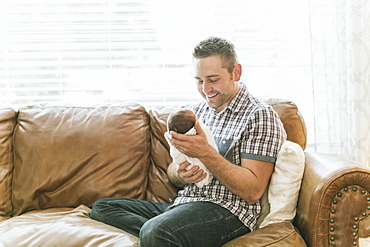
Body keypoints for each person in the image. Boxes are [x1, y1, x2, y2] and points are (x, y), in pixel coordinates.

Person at [90, 37, 287, 246]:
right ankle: (166, 236)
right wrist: (180, 173)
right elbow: (172, 171)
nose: (206, 89)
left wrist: (206, 153)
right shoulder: (196, 112)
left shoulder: (259, 115)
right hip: (185, 203)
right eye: (199, 81)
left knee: (156, 231)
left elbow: (252, 191)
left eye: (213, 79)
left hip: (228, 210)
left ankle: (160, 234)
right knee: (103, 207)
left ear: (236, 72)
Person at [165, 108, 218, 188]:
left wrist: (206, 153)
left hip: (215, 199)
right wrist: (179, 174)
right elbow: (175, 163)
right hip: (183, 198)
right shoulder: (193, 111)